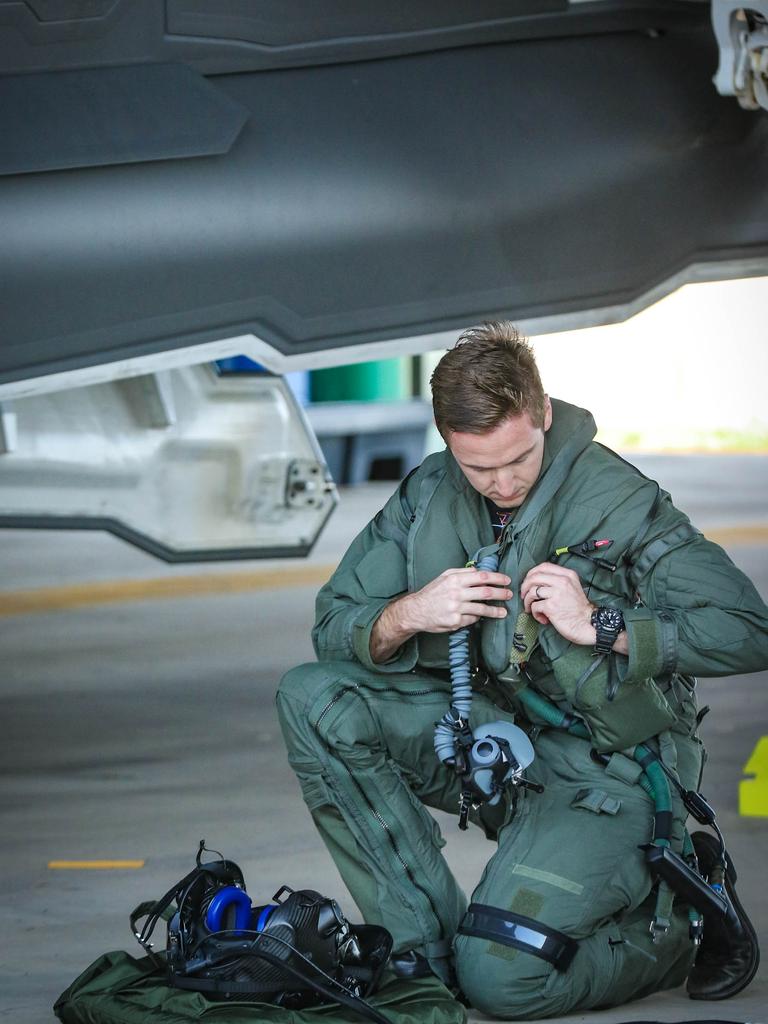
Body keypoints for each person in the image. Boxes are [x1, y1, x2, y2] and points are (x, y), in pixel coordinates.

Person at [277, 322, 768, 1019]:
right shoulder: (429, 496)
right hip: (497, 748)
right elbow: (334, 627)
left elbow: (749, 631)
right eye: (479, 468)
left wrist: (602, 624)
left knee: (506, 983)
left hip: (612, 774)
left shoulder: (618, 501)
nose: (503, 483)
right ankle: (427, 957)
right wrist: (411, 612)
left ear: (542, 413)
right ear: (448, 440)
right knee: (313, 698)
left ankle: (687, 926)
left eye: (519, 459)